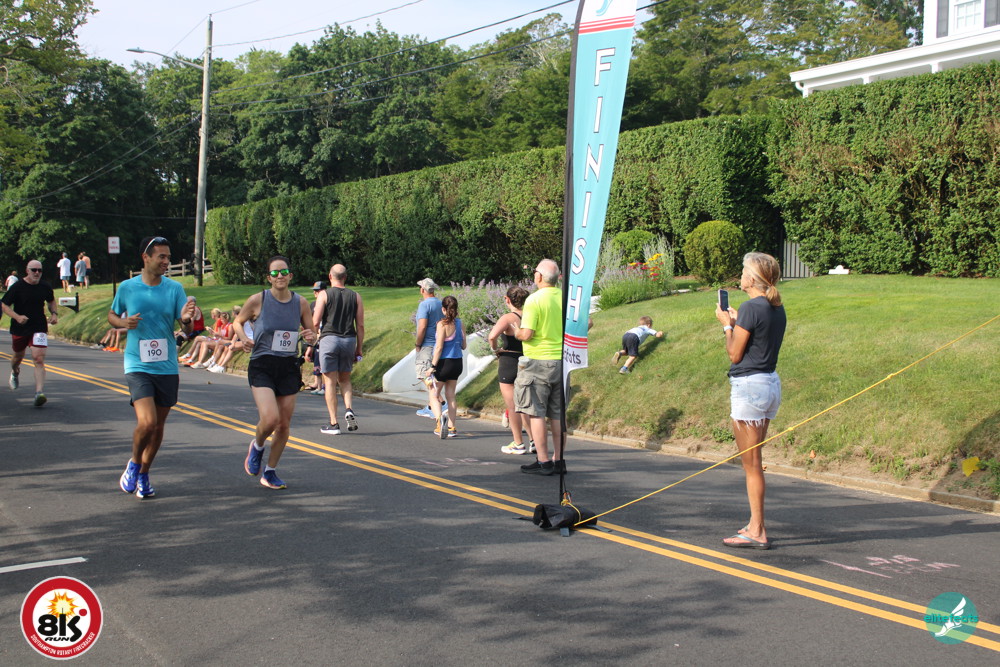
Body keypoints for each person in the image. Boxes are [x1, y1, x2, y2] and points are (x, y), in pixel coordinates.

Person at [110, 236, 196, 499]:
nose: (166, 261)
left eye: (168, 257)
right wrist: (123, 323)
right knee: (147, 422)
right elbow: (112, 315)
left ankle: (144, 474)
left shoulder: (174, 288)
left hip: (166, 365)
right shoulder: (128, 287)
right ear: (146, 258)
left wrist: (186, 320)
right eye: (161, 256)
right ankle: (135, 463)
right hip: (137, 363)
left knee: (158, 427)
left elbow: (187, 328)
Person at [715, 252, 786, 550]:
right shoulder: (774, 306)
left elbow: (735, 354)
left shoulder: (750, 307)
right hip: (769, 383)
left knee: (752, 464)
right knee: (755, 460)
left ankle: (757, 529)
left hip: (749, 386)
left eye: (744, 271)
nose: (741, 275)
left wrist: (726, 325)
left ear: (753, 279)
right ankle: (754, 524)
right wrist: (737, 322)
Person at [233, 255, 317, 490]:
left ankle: (270, 472)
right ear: (268, 278)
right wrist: (243, 338)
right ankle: (257, 445)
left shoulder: (300, 303)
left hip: (288, 366)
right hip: (262, 364)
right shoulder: (258, 299)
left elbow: (312, 333)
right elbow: (238, 322)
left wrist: (311, 337)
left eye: (284, 272)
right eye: (274, 273)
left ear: (290, 276)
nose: (279, 276)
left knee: (283, 425)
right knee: (270, 418)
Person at [514, 259, 565, 476]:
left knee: (536, 413)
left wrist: (516, 331)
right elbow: (587, 323)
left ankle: (543, 460)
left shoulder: (534, 300)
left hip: (537, 361)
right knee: (557, 414)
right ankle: (559, 459)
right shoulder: (566, 297)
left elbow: (527, 334)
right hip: (561, 361)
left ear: (539, 276)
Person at [314, 265, 364, 435]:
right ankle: (349, 409)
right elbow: (360, 325)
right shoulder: (356, 296)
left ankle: (334, 423)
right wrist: (359, 348)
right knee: (345, 379)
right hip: (348, 340)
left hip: (329, 339)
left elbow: (315, 321)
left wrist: (313, 338)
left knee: (329, 382)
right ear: (345, 277)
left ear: (330, 276)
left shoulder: (324, 295)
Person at [2, 259, 58, 407]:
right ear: (27, 271)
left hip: (39, 326)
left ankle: (39, 393)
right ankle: (15, 371)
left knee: (38, 358)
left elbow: (51, 301)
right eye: (34, 270)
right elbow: (4, 305)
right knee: (18, 357)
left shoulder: (45, 286)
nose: (37, 273)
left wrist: (54, 314)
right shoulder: (17, 287)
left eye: (40, 270)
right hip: (20, 327)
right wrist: (17, 317)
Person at [488, 285, 534, 455]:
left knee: (513, 406)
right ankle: (534, 440)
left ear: (507, 299)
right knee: (526, 405)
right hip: (527, 362)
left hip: (509, 361)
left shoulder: (508, 318)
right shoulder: (530, 316)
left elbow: (492, 336)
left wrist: (495, 349)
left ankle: (518, 442)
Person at [428, 295, 465, 438]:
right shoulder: (460, 323)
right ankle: (452, 427)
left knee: (434, 394)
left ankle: (440, 423)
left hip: (444, 363)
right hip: (457, 363)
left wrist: (432, 366)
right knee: (451, 396)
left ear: (443, 309)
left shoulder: (442, 324)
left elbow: (439, 347)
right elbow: (464, 345)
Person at [414, 278, 445, 419]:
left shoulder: (424, 305)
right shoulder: (440, 303)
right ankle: (433, 405)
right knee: (432, 377)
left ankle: (439, 404)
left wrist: (418, 344)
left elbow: (422, 327)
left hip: (427, 344)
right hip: (439, 344)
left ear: (423, 290)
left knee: (424, 375)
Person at [303, 281, 327, 393]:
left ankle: (324, 386)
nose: (315, 293)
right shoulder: (313, 305)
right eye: (314, 291)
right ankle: (317, 384)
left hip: (324, 334)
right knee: (316, 359)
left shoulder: (328, 303)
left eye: (317, 291)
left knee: (324, 360)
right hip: (315, 335)